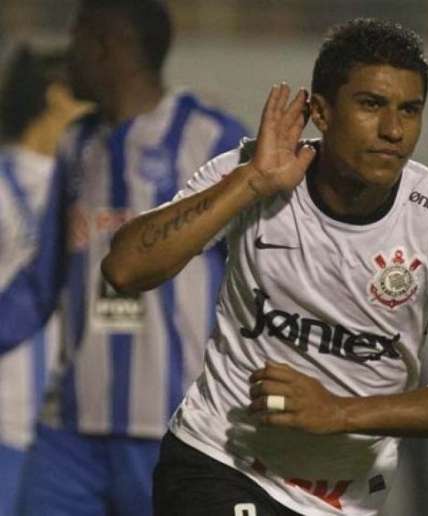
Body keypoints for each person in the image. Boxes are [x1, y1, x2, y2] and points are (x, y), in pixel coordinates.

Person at [102, 18, 428, 516]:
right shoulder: (255, 173)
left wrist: (339, 413)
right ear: (320, 111)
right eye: (371, 105)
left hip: (347, 496)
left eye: (409, 110)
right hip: (220, 461)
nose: (393, 130)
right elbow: (124, 268)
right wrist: (251, 182)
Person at [4, 1, 249, 514]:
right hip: (70, 428)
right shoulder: (76, 143)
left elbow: (262, 275)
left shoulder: (214, 139)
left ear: (108, 46)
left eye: (76, 42)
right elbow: (41, 283)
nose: (67, 57)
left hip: (174, 425)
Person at [0, 45, 88, 516]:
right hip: (8, 425)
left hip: (74, 429)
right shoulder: (7, 183)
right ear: (58, 99)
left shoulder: (97, 183)